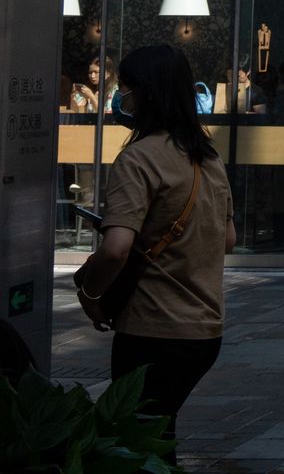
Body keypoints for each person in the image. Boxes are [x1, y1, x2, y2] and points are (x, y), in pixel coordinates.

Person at [81, 45, 236, 466]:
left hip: (153, 329)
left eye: (125, 88)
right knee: (157, 435)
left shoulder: (138, 158)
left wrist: (91, 296)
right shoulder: (208, 156)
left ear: (145, 94)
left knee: (133, 444)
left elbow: (115, 249)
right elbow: (228, 240)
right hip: (204, 331)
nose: (120, 96)